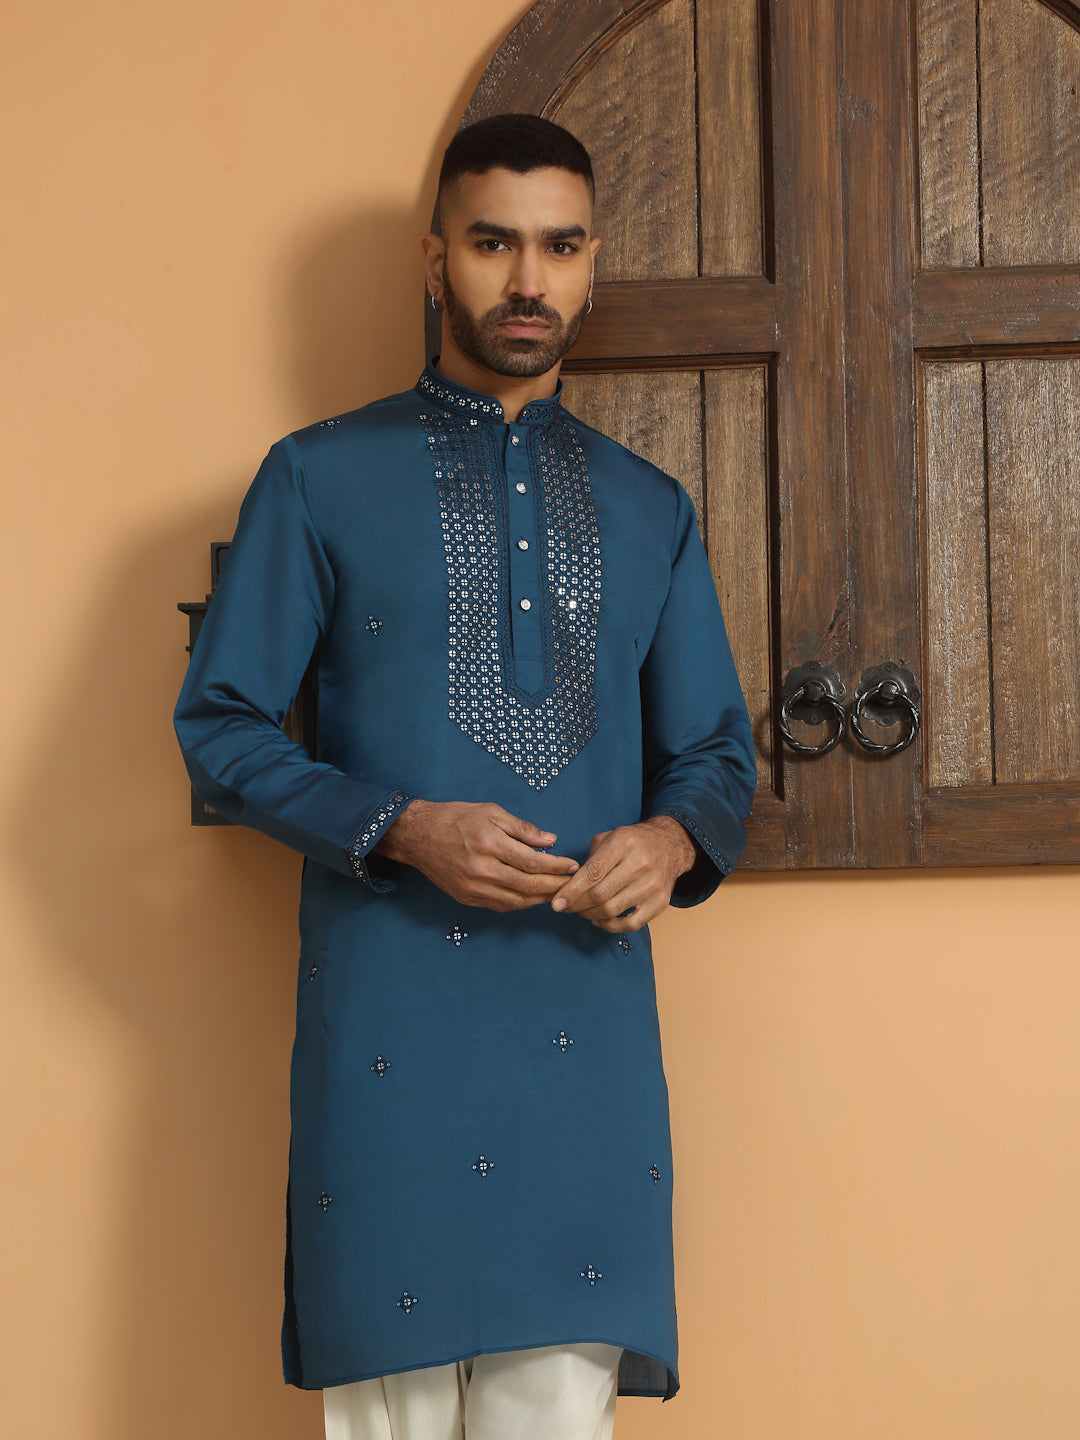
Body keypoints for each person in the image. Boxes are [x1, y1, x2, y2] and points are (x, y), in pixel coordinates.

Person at [173, 112, 756, 1440]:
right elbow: (221, 722)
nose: (529, 280)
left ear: (593, 264)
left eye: (560, 247)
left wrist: (670, 842)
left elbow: (717, 752)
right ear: (437, 259)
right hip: (390, 1036)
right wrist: (399, 824)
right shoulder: (317, 478)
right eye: (494, 243)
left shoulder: (649, 507)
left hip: (583, 1042)